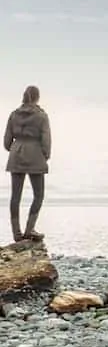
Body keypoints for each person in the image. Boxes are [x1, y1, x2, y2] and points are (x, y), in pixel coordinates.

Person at [4, 85, 50, 242]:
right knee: (39, 194)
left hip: (16, 153)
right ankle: (30, 230)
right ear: (37, 97)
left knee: (15, 196)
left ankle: (17, 234)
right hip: (35, 154)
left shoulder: (13, 115)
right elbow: (46, 140)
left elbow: (6, 142)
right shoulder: (42, 116)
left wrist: (16, 149)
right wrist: (45, 155)